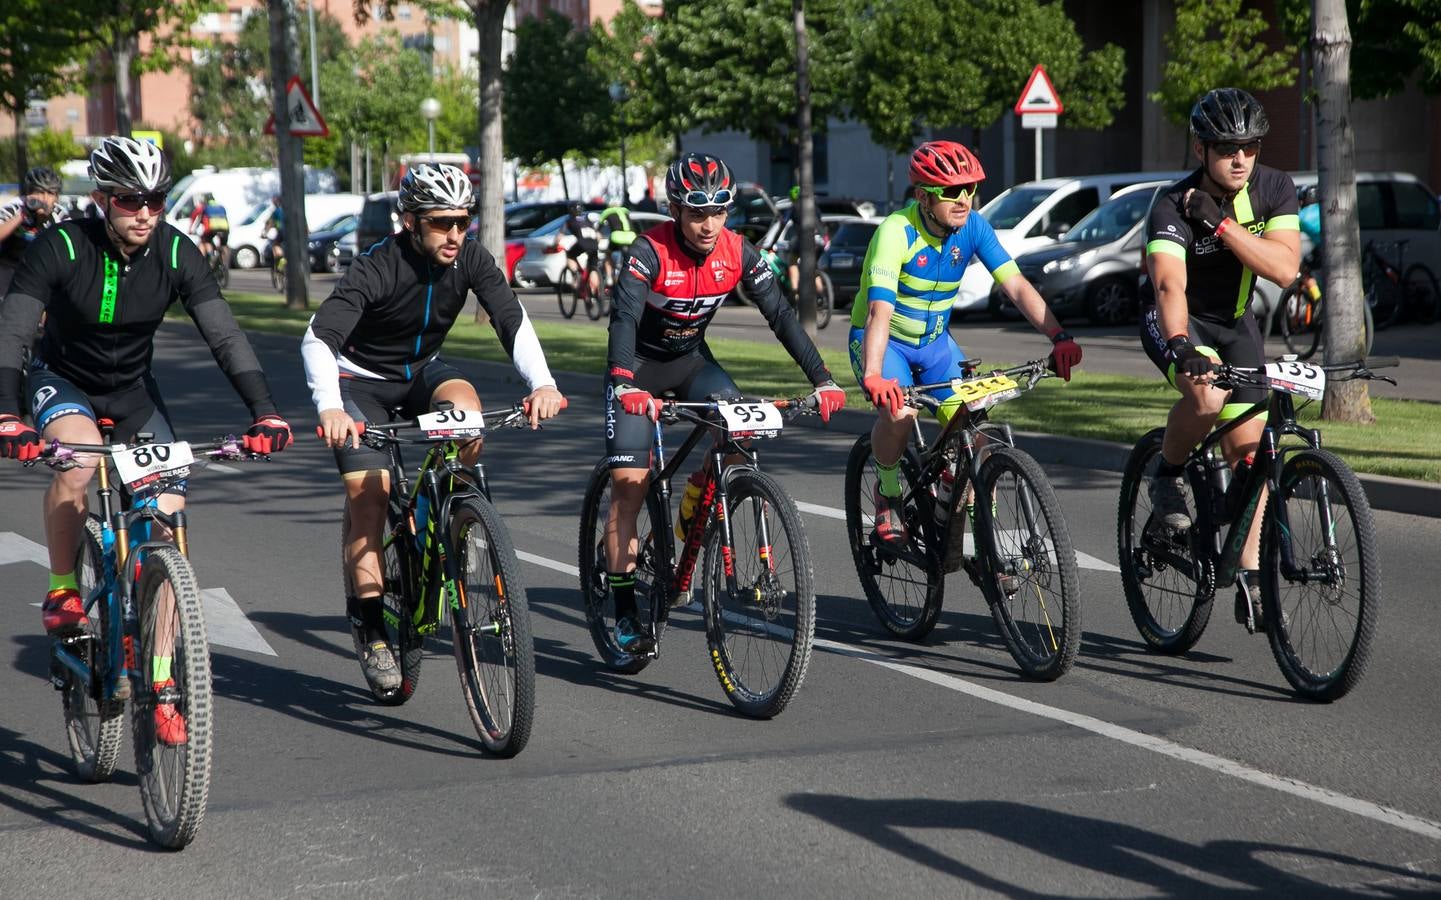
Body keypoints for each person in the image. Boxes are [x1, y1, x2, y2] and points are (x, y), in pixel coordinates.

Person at [0, 136, 293, 744]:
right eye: (132, 200)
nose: (146, 213)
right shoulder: (61, 246)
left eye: (156, 200)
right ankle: (62, 589)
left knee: (168, 513)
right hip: (64, 381)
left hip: (133, 392)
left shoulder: (176, 251)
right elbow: (13, 333)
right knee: (78, 464)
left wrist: (265, 413)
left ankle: (160, 679)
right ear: (104, 198)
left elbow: (225, 336)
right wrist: (9, 416)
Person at [303, 162, 565, 694]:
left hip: (422, 372)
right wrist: (330, 407)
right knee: (369, 495)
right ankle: (373, 627)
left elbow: (511, 318)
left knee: (467, 415)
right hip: (361, 384)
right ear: (410, 222)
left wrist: (542, 383)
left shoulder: (471, 258)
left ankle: (456, 514)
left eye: (463, 222)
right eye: (442, 223)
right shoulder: (378, 265)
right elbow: (318, 339)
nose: (455, 234)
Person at [603, 152, 846, 652]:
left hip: (691, 362)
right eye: (697, 212)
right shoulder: (648, 252)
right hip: (638, 370)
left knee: (740, 436)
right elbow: (624, 318)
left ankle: (694, 504)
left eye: (719, 211)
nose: (709, 224)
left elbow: (780, 315)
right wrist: (625, 383)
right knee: (630, 486)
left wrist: (822, 379)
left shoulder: (739, 252)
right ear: (675, 210)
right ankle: (625, 609)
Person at [850, 140, 1081, 550]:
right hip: (888, 346)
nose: (964, 199)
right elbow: (878, 313)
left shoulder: (973, 225)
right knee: (900, 412)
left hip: (936, 344)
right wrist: (872, 373)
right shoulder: (895, 232)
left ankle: (982, 533)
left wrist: (1058, 336)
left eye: (971, 189)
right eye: (952, 191)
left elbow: (1015, 285)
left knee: (977, 427)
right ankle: (887, 492)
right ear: (923, 196)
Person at [1139, 87, 1300, 628]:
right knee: (1207, 399)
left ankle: (1249, 574)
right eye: (1228, 148)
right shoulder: (1172, 202)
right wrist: (1182, 346)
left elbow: (1282, 269)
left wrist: (1223, 224)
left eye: (1250, 147)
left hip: (1236, 325)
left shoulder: (1275, 187)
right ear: (1199, 148)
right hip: (1179, 322)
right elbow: (1168, 286)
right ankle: (1166, 472)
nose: (1240, 159)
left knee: (1252, 455)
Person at [0, 166, 63, 294]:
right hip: (9, 266)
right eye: (39, 192)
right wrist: (22, 216)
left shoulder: (59, 214)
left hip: (39, 271)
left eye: (50, 193)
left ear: (56, 197)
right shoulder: (15, 207)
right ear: (28, 193)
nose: (44, 199)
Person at [562, 201, 600, 298]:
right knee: (593, 268)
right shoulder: (587, 219)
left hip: (582, 244)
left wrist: (554, 245)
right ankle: (595, 290)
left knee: (569, 254)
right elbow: (598, 235)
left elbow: (559, 236)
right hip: (594, 244)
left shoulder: (569, 220)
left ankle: (576, 275)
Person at [188, 192, 230, 263]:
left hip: (212, 228)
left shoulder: (205, 207)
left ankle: (211, 256)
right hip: (225, 228)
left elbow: (196, 216)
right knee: (223, 245)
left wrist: (191, 228)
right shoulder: (221, 207)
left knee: (206, 241)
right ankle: (225, 263)